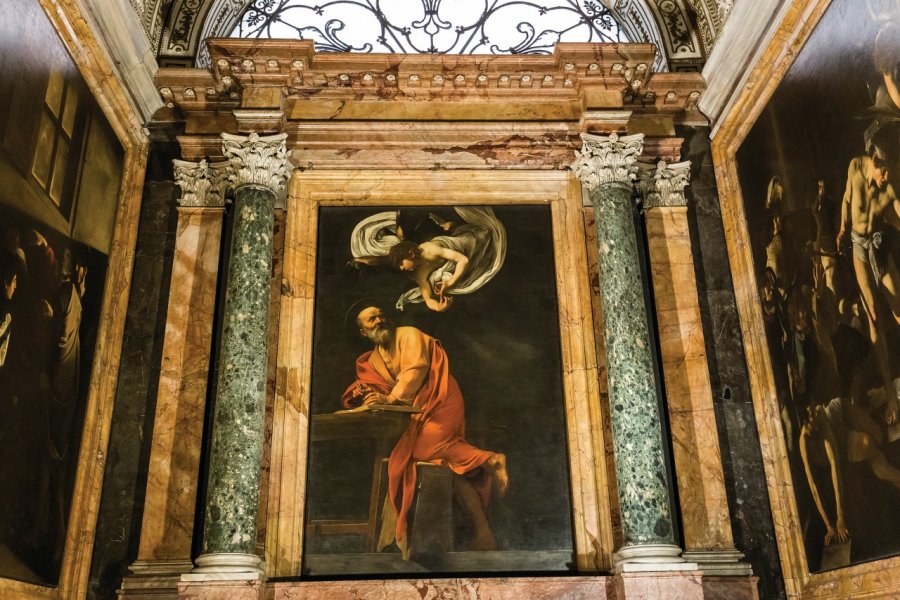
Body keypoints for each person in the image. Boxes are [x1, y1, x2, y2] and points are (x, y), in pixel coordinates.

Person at [341, 303, 509, 556]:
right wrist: (370, 397)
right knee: (445, 465)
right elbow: (377, 387)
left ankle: (489, 459)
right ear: (364, 332)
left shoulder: (408, 335)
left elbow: (414, 373)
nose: (379, 321)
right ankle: (484, 533)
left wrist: (388, 400)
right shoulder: (373, 360)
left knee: (423, 452)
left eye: (381, 315)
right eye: (371, 320)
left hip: (441, 398)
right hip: (418, 412)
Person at [835, 122, 900, 425]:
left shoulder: (890, 191)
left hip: (878, 247)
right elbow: (847, 198)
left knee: (898, 308)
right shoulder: (855, 168)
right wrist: (841, 227)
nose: (886, 175)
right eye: (883, 168)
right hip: (858, 249)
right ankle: (890, 396)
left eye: (890, 168)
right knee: (874, 322)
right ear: (874, 159)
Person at [349, 207, 506, 312]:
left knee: (484, 235)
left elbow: (463, 260)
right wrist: (438, 307)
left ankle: (450, 227)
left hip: (465, 244)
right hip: (451, 252)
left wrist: (450, 283)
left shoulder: (430, 250)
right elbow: (427, 298)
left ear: (411, 254)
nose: (402, 269)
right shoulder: (419, 274)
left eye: (402, 264)